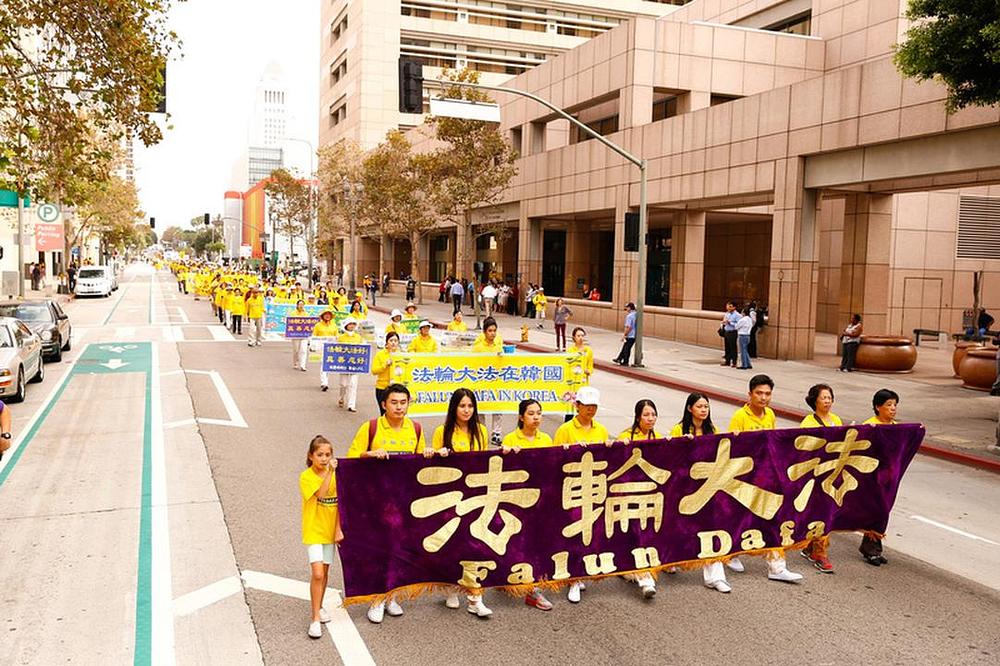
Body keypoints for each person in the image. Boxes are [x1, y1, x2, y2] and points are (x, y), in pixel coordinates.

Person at [347, 383, 426, 624]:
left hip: (404, 502)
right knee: (379, 550)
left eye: (403, 402)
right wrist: (368, 455)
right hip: (376, 501)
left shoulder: (416, 429)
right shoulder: (370, 428)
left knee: (399, 550)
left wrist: (429, 455)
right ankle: (377, 599)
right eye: (394, 402)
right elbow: (350, 460)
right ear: (384, 404)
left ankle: (392, 595)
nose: (399, 407)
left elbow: (420, 465)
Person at [728, 374, 803, 584]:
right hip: (745, 478)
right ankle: (731, 554)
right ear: (749, 394)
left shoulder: (770, 414)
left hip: (767, 476)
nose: (763, 397)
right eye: (759, 393)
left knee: (773, 518)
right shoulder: (739, 417)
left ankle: (776, 566)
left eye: (767, 394)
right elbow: (734, 448)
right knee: (741, 519)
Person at [427, 388, 494, 616]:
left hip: (475, 496)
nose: (466, 410)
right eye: (462, 406)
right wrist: (437, 454)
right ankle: (451, 588)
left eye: (470, 406)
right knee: (452, 545)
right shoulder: (442, 431)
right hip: (451, 497)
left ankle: (475, 597)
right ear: (454, 408)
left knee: (476, 545)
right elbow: (434, 467)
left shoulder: (481, 431)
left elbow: (485, 461)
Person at [553, 385, 610, 603]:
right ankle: (574, 578)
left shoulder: (601, 430)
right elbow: (554, 457)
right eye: (587, 406)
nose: (591, 410)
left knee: (590, 533)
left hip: (594, 489)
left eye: (594, 406)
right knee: (574, 532)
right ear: (577, 406)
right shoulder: (566, 429)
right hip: (572, 488)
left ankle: (581, 572)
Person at [499, 399, 554, 612]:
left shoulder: (546, 439)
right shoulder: (511, 439)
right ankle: (507, 577)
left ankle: (533, 590)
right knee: (514, 541)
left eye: (539, 413)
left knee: (536, 543)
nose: (536, 417)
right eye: (531, 413)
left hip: (540, 500)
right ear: (521, 417)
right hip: (517, 500)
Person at [615, 399, 661, 598]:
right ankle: (645, 579)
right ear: (637, 417)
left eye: (653, 415)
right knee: (635, 534)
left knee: (645, 534)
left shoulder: (658, 438)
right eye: (646, 415)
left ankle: (633, 570)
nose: (650, 419)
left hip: (651, 496)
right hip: (628, 494)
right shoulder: (625, 437)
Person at [797, 384, 842, 574]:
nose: (827, 401)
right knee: (820, 512)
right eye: (823, 398)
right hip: (815, 474)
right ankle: (819, 553)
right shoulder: (808, 422)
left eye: (829, 397)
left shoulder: (836, 419)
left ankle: (810, 546)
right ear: (814, 400)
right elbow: (804, 448)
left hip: (832, 473)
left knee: (827, 511)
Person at [300, 435, 340, 639]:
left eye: (328, 455)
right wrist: (330, 472)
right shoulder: (306, 477)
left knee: (324, 573)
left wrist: (338, 529)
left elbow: (342, 503)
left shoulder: (337, 475)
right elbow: (322, 495)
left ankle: (319, 605)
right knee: (317, 573)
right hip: (314, 530)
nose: (324, 459)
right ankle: (315, 618)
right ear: (311, 456)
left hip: (330, 532)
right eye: (320, 455)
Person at [859, 388, 899, 566]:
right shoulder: (869, 426)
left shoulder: (896, 427)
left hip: (889, 476)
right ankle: (871, 550)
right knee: (876, 510)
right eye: (889, 405)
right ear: (877, 407)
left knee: (884, 511)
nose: (893, 408)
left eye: (895, 405)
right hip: (872, 476)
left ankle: (874, 546)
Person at [473, 317, 505, 445]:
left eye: (494, 331)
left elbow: (503, 365)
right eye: (490, 331)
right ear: (484, 332)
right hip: (482, 383)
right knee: (481, 409)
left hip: (495, 382)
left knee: (497, 408)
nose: (493, 333)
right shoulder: (478, 348)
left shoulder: (499, 347)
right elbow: (473, 365)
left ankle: (496, 433)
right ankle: (482, 432)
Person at [336, 319, 363, 412]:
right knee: (343, 384)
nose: (351, 326)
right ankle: (341, 397)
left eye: (353, 324)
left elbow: (363, 350)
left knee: (353, 384)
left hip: (355, 364)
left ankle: (351, 404)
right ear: (346, 325)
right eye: (350, 324)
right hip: (344, 363)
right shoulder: (341, 338)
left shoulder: (358, 337)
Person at [371, 332, 400, 414]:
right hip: (382, 388)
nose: (393, 343)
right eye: (391, 340)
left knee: (396, 413)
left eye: (395, 341)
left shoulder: (401, 355)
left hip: (397, 388)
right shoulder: (380, 354)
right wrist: (385, 365)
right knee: (384, 412)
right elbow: (374, 371)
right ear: (387, 342)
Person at [312, 310, 339, 392]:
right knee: (323, 365)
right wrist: (313, 345)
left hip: (330, 349)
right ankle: (324, 383)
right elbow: (314, 336)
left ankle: (325, 381)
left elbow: (337, 336)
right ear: (322, 316)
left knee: (328, 365)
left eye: (329, 315)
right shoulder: (318, 325)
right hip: (321, 348)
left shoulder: (334, 326)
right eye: (326, 315)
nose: (327, 316)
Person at [613, 302, 637, 366]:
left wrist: (625, 335)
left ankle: (625, 361)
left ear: (630, 308)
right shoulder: (636, 314)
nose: (626, 309)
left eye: (627, 307)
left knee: (626, 348)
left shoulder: (629, 316)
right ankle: (619, 358)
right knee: (625, 347)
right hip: (634, 334)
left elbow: (628, 327)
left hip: (630, 335)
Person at [290, 300, 309, 371]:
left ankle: (302, 365)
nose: (301, 306)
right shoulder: (293, 313)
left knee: (304, 350)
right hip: (295, 334)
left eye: (302, 304)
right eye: (300, 304)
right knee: (296, 350)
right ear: (297, 305)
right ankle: (295, 363)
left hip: (304, 334)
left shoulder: (306, 314)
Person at [720, 302, 740, 368]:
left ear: (734, 307)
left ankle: (734, 362)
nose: (728, 308)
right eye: (728, 306)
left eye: (730, 306)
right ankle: (727, 361)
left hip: (733, 332)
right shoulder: (727, 314)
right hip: (726, 331)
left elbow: (738, 324)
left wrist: (730, 323)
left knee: (733, 347)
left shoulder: (737, 315)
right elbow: (724, 321)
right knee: (727, 347)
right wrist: (723, 323)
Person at [735, 305, 754, 370]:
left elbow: (736, 327)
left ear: (744, 313)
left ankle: (744, 365)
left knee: (742, 351)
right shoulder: (750, 319)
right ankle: (748, 364)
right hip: (748, 335)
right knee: (745, 350)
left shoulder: (742, 320)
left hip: (742, 335)